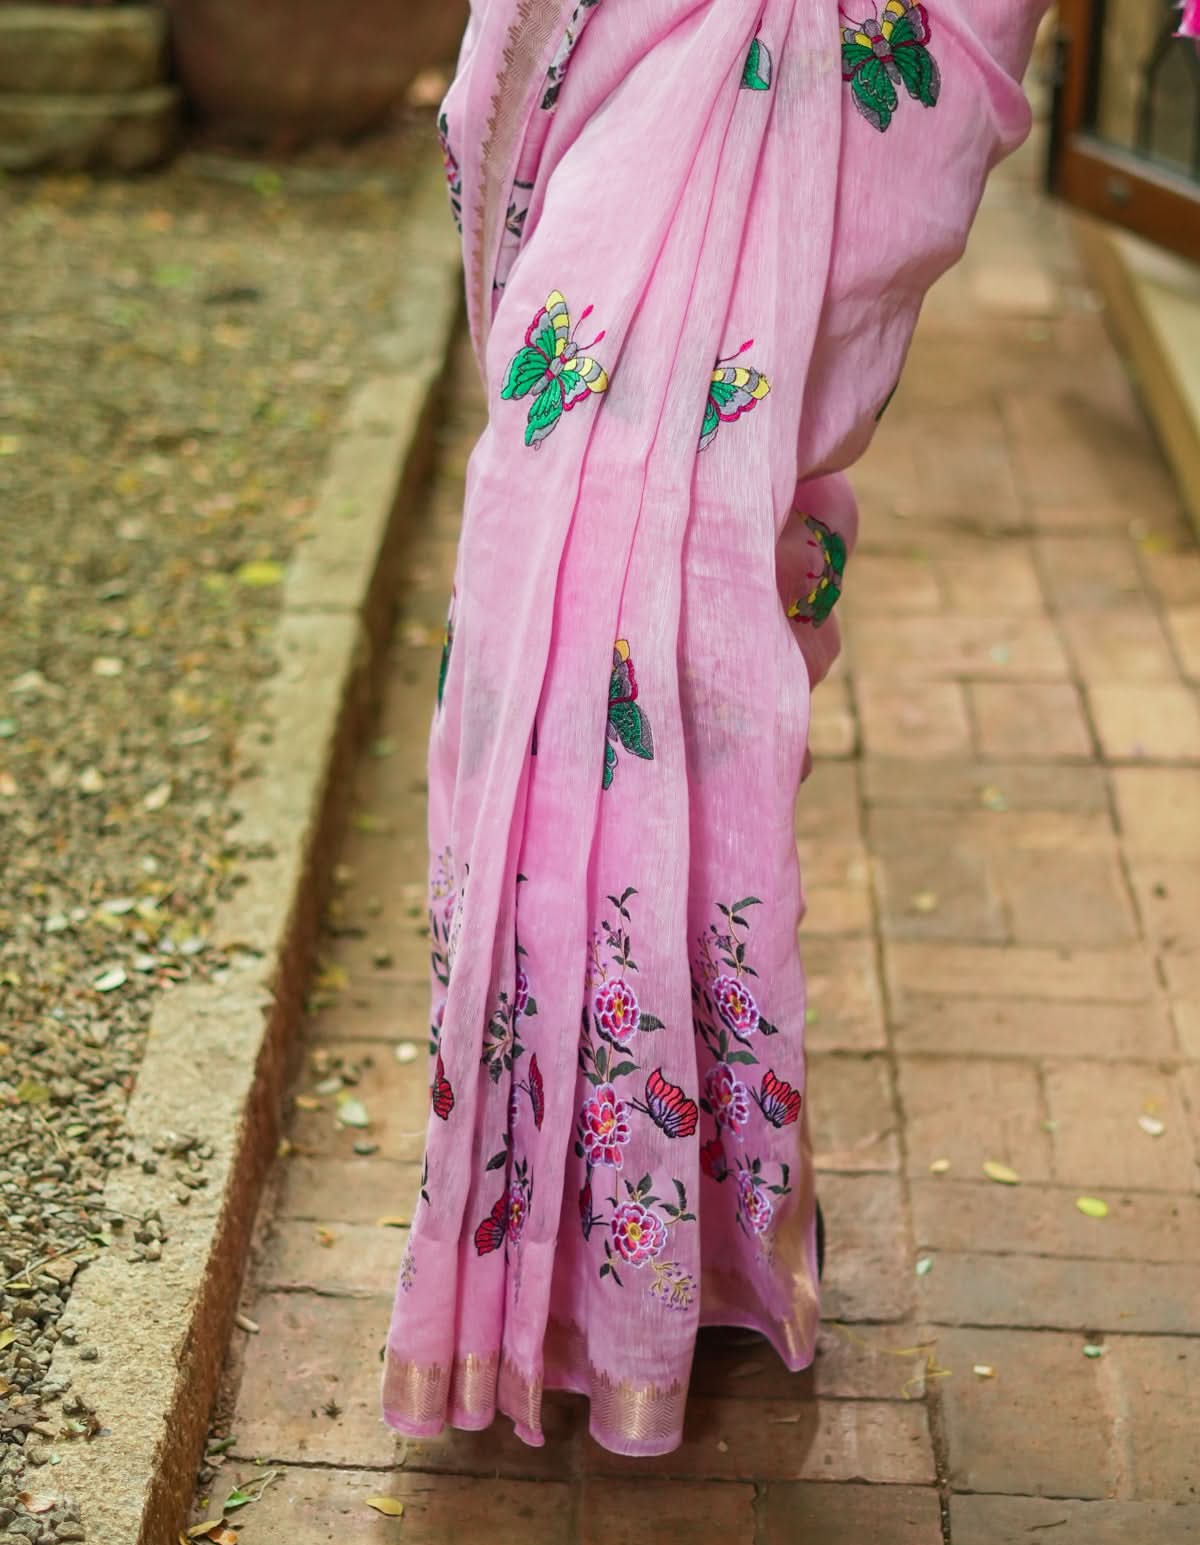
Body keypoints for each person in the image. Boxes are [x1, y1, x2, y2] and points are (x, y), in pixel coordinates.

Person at [383, 0, 1049, 1457]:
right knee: (551, 652)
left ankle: (667, 1248)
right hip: (621, 148)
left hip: (784, 105)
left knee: (681, 671)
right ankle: (577, 1249)